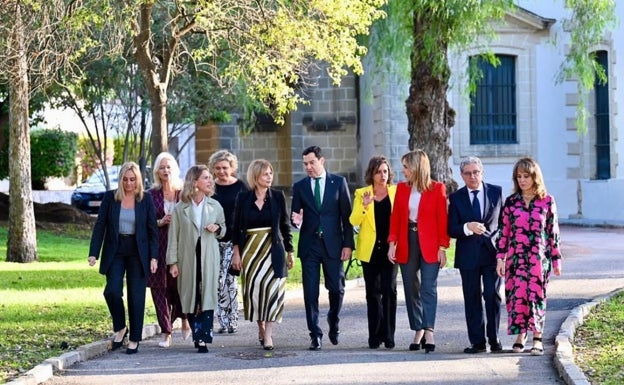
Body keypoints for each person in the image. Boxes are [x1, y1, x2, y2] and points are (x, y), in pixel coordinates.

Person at [88, 161, 158, 355]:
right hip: (116, 249)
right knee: (112, 291)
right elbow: (100, 226)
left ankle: (134, 338)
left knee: (136, 296)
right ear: (121, 180)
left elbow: (153, 231)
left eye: (132, 179)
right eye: (125, 179)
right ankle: (120, 327)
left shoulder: (146, 199)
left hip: (138, 251)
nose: (129, 183)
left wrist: (154, 257)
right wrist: (94, 252)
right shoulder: (111, 197)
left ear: (138, 180)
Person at [496, 157, 562, 356]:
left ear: (535, 177)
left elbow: (553, 233)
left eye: (526, 176)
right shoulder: (511, 202)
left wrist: (557, 260)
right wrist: (501, 257)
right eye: (519, 176)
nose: (522, 180)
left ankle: (537, 338)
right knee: (516, 298)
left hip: (538, 259)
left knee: (536, 296)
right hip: (515, 260)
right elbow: (504, 232)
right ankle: (520, 335)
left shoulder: (547, 201)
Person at [291, 145, 354, 350]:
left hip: (334, 245)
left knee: (337, 289)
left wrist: (348, 245)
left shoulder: (338, 183)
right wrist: (297, 222)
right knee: (310, 292)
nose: (308, 167)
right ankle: (315, 334)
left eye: (312, 162)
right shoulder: (299, 186)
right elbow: (295, 218)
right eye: (305, 164)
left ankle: (333, 321)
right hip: (310, 245)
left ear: (322, 161)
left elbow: (347, 217)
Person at [387, 149, 449, 353]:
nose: (403, 171)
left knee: (428, 288)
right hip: (407, 240)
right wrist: (392, 243)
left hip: (430, 244)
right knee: (411, 287)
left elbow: (443, 220)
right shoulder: (402, 189)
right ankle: (418, 329)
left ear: (416, 167)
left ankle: (429, 329)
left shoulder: (437, 188)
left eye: (406, 167)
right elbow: (396, 218)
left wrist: (443, 247)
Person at [230, 159, 295, 350]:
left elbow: (285, 225)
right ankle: (260, 326)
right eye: (265, 173)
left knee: (273, 291)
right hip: (250, 251)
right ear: (256, 176)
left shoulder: (277, 196)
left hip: (272, 249)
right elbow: (235, 228)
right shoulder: (243, 198)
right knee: (255, 292)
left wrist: (290, 251)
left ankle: (268, 335)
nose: (269, 177)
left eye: (270, 173)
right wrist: (236, 253)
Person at [166, 165, 226, 353]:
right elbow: (173, 236)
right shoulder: (180, 208)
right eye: (206, 178)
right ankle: (196, 332)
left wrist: (217, 227)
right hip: (187, 257)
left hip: (209, 256)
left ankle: (203, 337)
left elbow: (224, 229)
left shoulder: (215, 206)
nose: (210, 181)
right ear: (195, 182)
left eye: (210, 178)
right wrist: (173, 262)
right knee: (190, 295)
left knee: (207, 294)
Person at [448, 156, 503, 354]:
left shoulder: (496, 192)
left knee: (492, 294)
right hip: (468, 256)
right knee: (471, 298)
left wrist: (502, 251)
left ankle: (494, 338)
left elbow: (504, 224)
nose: (473, 176)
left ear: (482, 172)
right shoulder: (456, 198)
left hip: (492, 254)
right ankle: (478, 342)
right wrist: (467, 227)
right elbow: (451, 229)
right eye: (468, 173)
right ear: (462, 175)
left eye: (476, 172)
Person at [349, 156, 398, 349]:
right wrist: (365, 206)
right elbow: (353, 221)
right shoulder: (362, 193)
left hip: (391, 249)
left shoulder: (396, 192)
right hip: (369, 250)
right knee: (372, 293)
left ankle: (389, 335)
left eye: (385, 171)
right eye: (378, 172)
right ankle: (375, 336)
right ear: (372, 174)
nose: (382, 175)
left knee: (390, 290)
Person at [148, 152, 191, 348]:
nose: (166, 170)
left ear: (174, 169)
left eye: (169, 167)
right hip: (158, 245)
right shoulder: (151, 194)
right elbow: (146, 223)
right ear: (157, 171)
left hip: (180, 245)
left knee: (179, 285)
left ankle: (184, 319)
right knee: (159, 288)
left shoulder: (183, 193)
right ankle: (166, 331)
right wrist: (160, 221)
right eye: (162, 167)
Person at [208, 150, 249, 334]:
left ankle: (231, 320)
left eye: (225, 167)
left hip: (235, 241)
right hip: (214, 239)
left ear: (232, 168)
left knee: (229, 279)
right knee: (217, 281)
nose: (221, 171)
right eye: (217, 168)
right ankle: (222, 320)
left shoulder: (241, 186)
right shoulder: (210, 187)